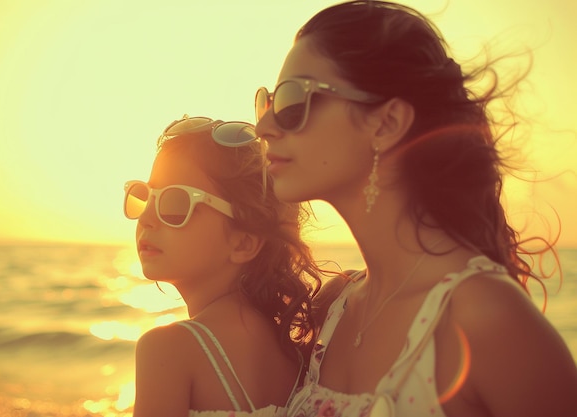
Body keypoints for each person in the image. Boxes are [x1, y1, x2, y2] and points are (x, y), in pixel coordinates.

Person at [253, 1, 577, 416]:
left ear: (386, 124)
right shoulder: (334, 311)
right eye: (266, 101)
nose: (264, 126)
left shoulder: (486, 317)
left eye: (292, 100)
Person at [124, 115, 322, 417]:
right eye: (145, 196)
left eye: (175, 203)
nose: (146, 218)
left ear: (243, 242)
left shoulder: (167, 350)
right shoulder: (291, 351)